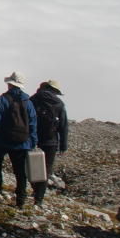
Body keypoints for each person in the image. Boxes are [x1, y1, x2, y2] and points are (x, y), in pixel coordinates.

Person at [0, 71, 37, 208]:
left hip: (2, 140)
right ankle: (21, 199)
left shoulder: (2, 99)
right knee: (20, 172)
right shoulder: (28, 102)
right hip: (22, 143)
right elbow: (32, 123)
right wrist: (32, 142)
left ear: (9, 84)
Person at [29, 79, 69, 207]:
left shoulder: (33, 99)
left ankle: (34, 189)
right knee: (46, 169)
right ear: (55, 91)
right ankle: (39, 199)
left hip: (33, 139)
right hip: (51, 141)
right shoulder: (59, 104)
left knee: (32, 166)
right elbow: (63, 126)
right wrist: (63, 144)